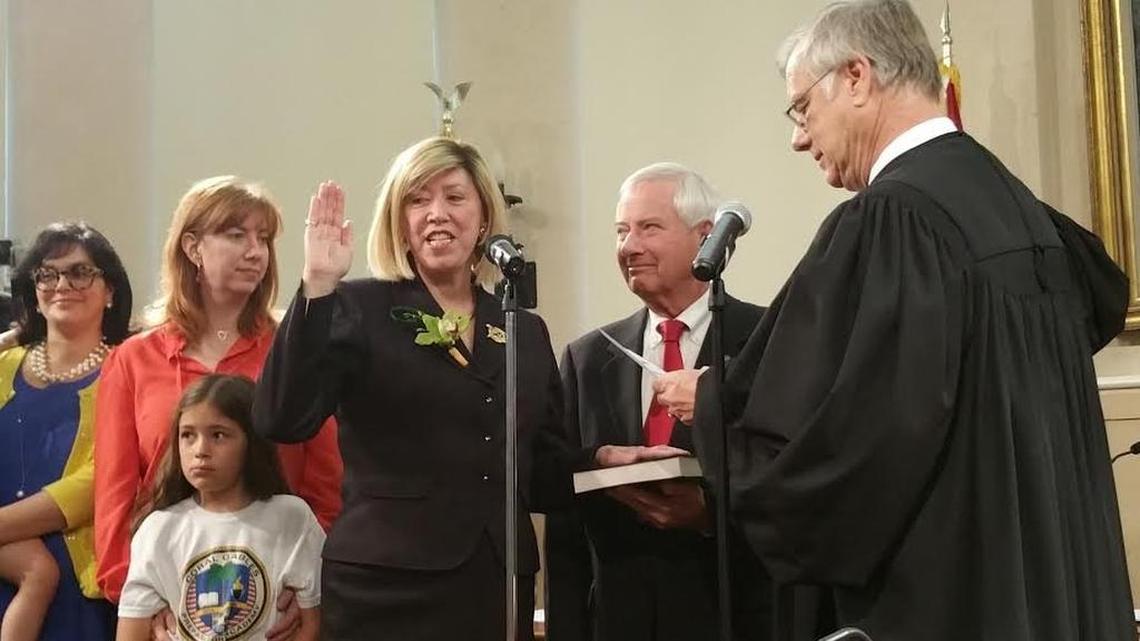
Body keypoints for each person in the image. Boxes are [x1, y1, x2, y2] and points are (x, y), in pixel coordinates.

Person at [650, 1, 1135, 639]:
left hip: (953, 604)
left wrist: (712, 400)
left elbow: (842, 441)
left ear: (857, 77)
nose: (799, 136)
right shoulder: (1023, 210)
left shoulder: (893, 221)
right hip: (1060, 596)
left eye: (801, 108)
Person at [253, 136, 580, 641]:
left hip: (492, 580)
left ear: (484, 217)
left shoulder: (520, 327)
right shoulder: (356, 309)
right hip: (384, 585)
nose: (436, 213)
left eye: (454, 197)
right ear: (399, 222)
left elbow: (540, 468)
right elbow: (282, 417)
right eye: (418, 199)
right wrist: (317, 286)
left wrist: (608, 463)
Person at [93, 176, 342, 630]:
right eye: (236, 235)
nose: (255, 251)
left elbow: (326, 485)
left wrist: (303, 589)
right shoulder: (132, 360)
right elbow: (114, 497)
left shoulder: (295, 351)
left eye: (263, 239)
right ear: (192, 247)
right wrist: (140, 603)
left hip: (275, 601)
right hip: (165, 608)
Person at [544, 163, 769, 641]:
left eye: (649, 228)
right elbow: (567, 522)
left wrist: (711, 520)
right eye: (621, 231)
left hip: (734, 612)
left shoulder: (766, 343)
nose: (629, 247)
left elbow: (791, 484)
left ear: (706, 237)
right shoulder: (587, 359)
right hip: (617, 619)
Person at [0, 222, 132, 641]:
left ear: (110, 291)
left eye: (80, 272)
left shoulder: (126, 369)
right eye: (48, 274)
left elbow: (101, 478)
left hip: (75, 585)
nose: (62, 285)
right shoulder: (4, 364)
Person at [116, 374, 324, 641]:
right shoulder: (158, 529)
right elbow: (130, 633)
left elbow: (312, 626)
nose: (200, 449)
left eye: (218, 435)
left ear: (251, 442)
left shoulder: (292, 518)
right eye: (188, 435)